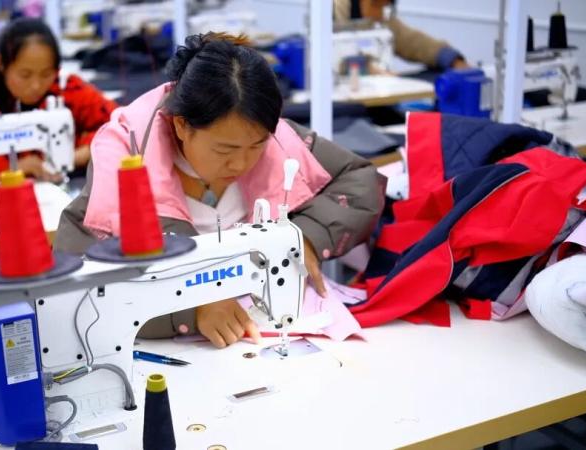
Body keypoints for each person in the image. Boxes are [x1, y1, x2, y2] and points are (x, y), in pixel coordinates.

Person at [55, 33, 385, 348]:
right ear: (181, 125)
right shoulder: (125, 164)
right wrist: (189, 309)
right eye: (224, 150)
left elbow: (359, 180)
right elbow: (78, 288)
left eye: (256, 146)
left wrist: (307, 237)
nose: (241, 163)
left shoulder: (277, 140)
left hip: (261, 331)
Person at [0, 18, 117, 183]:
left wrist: (81, 154)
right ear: (1, 63)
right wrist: (13, 167)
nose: (36, 85)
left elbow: (121, 125)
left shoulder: (68, 88)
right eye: (25, 75)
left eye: (46, 74)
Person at [334, 0, 469, 72]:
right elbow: (333, 61)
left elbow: (413, 42)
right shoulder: (331, 14)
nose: (380, 13)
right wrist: (367, 69)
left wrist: (450, 58)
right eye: (376, 5)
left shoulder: (382, 20)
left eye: (385, 5)